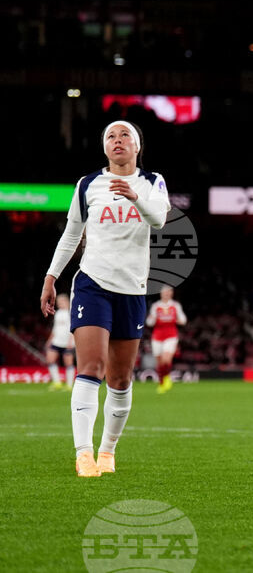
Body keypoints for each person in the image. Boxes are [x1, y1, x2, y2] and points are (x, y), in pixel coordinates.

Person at [40, 120, 170, 477]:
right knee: (91, 368)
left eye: (125, 135)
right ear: (104, 147)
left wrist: (134, 197)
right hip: (92, 284)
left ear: (137, 145)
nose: (117, 140)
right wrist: (51, 277)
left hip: (132, 290)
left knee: (121, 379)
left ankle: (107, 451)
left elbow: (160, 219)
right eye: (110, 136)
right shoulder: (88, 185)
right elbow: (70, 236)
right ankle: (83, 454)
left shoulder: (152, 182)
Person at [146, 285, 188, 394]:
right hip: (157, 336)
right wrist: (153, 318)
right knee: (159, 362)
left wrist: (179, 320)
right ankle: (161, 383)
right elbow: (149, 322)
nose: (167, 294)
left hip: (171, 336)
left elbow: (183, 320)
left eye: (169, 292)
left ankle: (167, 378)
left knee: (166, 360)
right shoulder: (156, 306)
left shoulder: (175, 306)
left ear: (171, 293)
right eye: (165, 292)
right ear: (161, 294)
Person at [45, 294, 76, 391]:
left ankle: (69, 385)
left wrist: (71, 342)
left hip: (67, 342)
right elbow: (55, 328)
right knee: (50, 359)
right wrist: (50, 340)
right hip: (56, 341)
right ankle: (57, 382)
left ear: (67, 301)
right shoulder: (58, 313)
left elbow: (73, 329)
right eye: (58, 302)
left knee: (68, 363)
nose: (59, 304)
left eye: (61, 302)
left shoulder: (71, 313)